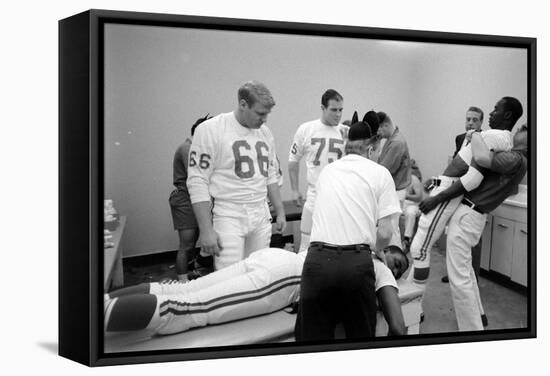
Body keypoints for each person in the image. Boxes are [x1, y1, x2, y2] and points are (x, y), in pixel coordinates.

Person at [104, 246, 409, 336]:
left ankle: (101, 302)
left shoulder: (349, 237)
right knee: (186, 309)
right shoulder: (377, 269)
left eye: (399, 270)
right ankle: (87, 321)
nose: (395, 270)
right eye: (397, 262)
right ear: (385, 253)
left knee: (185, 290)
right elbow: (397, 325)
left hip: (274, 257)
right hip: (286, 277)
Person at [295, 118, 402, 341]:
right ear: (371, 148)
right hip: (355, 265)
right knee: (358, 343)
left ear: (347, 146)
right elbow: (384, 233)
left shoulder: (327, 172)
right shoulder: (380, 173)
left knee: (310, 344)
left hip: (316, 263)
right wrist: (378, 251)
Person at [419, 122, 527, 331]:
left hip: (469, 213)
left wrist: (477, 135)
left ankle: (473, 331)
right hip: (474, 215)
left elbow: (481, 157)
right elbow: (510, 189)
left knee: (459, 278)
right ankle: (480, 315)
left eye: (524, 129)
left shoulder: (515, 158)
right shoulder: (519, 161)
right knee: (466, 270)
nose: (518, 131)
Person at [408, 97, 522, 286]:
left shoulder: (495, 137)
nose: (492, 112)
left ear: (508, 114)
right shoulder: (480, 137)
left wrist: (436, 199)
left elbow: (473, 178)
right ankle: (411, 298)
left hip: (450, 194)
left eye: (496, 109)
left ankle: (413, 302)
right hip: (444, 187)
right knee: (420, 248)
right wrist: (432, 185)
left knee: (420, 249)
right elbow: (456, 167)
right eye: (468, 119)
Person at [187, 81, 286, 271]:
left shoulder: (265, 133)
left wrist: (280, 210)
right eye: (260, 113)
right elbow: (197, 181)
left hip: (260, 210)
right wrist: (206, 230)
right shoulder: (210, 130)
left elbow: (270, 174)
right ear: (243, 104)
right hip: (229, 213)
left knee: (259, 273)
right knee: (228, 277)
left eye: (267, 114)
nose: (264, 119)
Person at [288, 89, 347, 254]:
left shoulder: (345, 132)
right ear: (323, 108)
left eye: (341, 110)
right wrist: (294, 190)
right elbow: (293, 161)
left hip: (338, 197)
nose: (338, 114)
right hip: (314, 194)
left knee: (335, 245)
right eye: (333, 110)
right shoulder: (306, 129)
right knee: (306, 245)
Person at [442, 106, 484, 283]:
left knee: (472, 239)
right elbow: (457, 162)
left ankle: (473, 276)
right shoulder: (459, 138)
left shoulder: (485, 140)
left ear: (481, 122)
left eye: (475, 119)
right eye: (468, 119)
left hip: (475, 194)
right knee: (453, 235)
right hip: (457, 190)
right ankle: (453, 273)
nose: (471, 123)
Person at [169, 114, 211, 281]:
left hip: (195, 199)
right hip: (185, 199)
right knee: (186, 245)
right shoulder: (188, 148)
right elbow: (198, 177)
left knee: (193, 244)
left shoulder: (197, 149)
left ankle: (189, 274)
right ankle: (182, 282)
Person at [376, 111, 412, 248]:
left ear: (385, 125)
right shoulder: (392, 139)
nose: (378, 133)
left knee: (391, 229)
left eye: (378, 129)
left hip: (396, 191)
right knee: (392, 228)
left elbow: (384, 169)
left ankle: (394, 261)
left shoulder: (397, 142)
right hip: (394, 189)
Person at [401, 159, 424, 252]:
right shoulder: (397, 179)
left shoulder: (413, 179)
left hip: (411, 205)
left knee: (410, 213)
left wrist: (406, 195)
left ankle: (407, 239)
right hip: (399, 203)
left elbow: (419, 197)